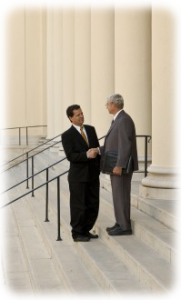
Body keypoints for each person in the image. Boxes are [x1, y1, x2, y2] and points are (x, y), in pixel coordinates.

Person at [100, 93, 138, 235]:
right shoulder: (118, 119)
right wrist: (98, 149)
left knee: (121, 194)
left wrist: (120, 165)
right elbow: (115, 143)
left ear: (113, 105)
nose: (106, 106)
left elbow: (125, 145)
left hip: (119, 167)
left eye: (107, 104)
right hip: (115, 165)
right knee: (117, 195)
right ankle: (119, 222)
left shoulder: (123, 120)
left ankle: (124, 227)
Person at [61, 104, 100, 242]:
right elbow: (71, 156)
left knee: (93, 204)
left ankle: (86, 229)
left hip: (93, 174)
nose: (81, 116)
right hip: (78, 176)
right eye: (77, 115)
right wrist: (87, 155)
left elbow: (96, 148)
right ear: (71, 118)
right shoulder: (67, 135)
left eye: (82, 113)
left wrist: (97, 152)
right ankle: (77, 233)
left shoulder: (90, 129)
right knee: (79, 205)